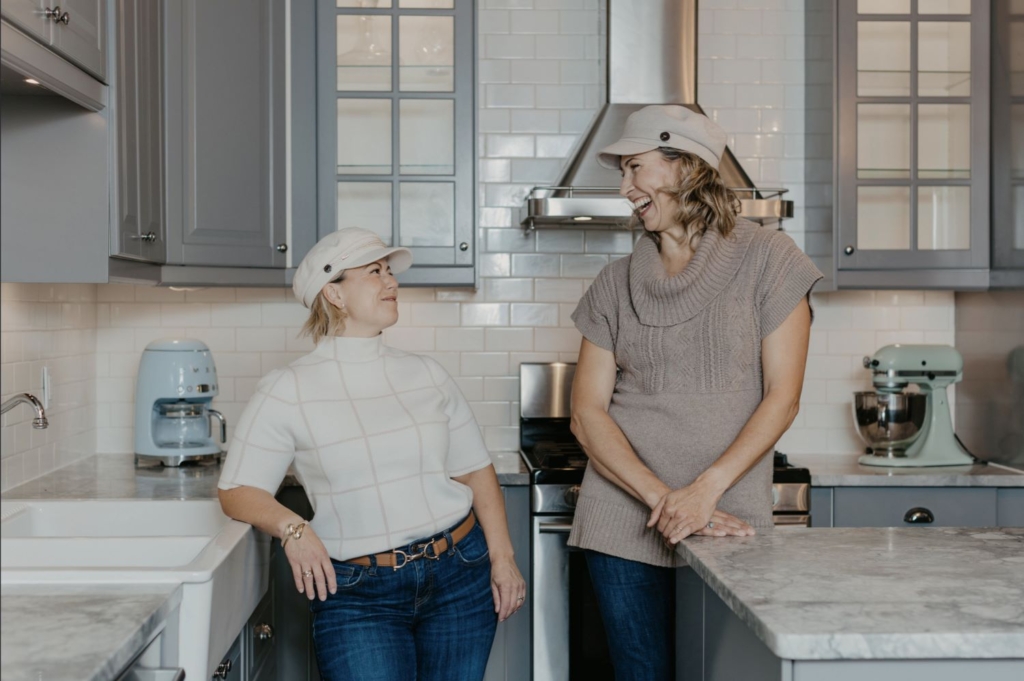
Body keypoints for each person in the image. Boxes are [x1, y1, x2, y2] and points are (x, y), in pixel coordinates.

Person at [568, 105, 823, 680]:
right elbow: (586, 415)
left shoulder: (770, 261)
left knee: (729, 672)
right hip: (620, 521)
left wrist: (705, 493)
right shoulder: (612, 284)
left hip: (728, 515)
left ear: (685, 167)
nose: (624, 187)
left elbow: (782, 398)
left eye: (635, 167)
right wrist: (668, 501)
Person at [218, 227, 526, 681]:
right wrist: (294, 530)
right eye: (374, 272)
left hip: (461, 573)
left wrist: (503, 558)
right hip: (359, 594)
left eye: (389, 271)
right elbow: (237, 491)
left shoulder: (427, 374)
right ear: (334, 295)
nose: (392, 282)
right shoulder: (287, 389)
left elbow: (475, 471)